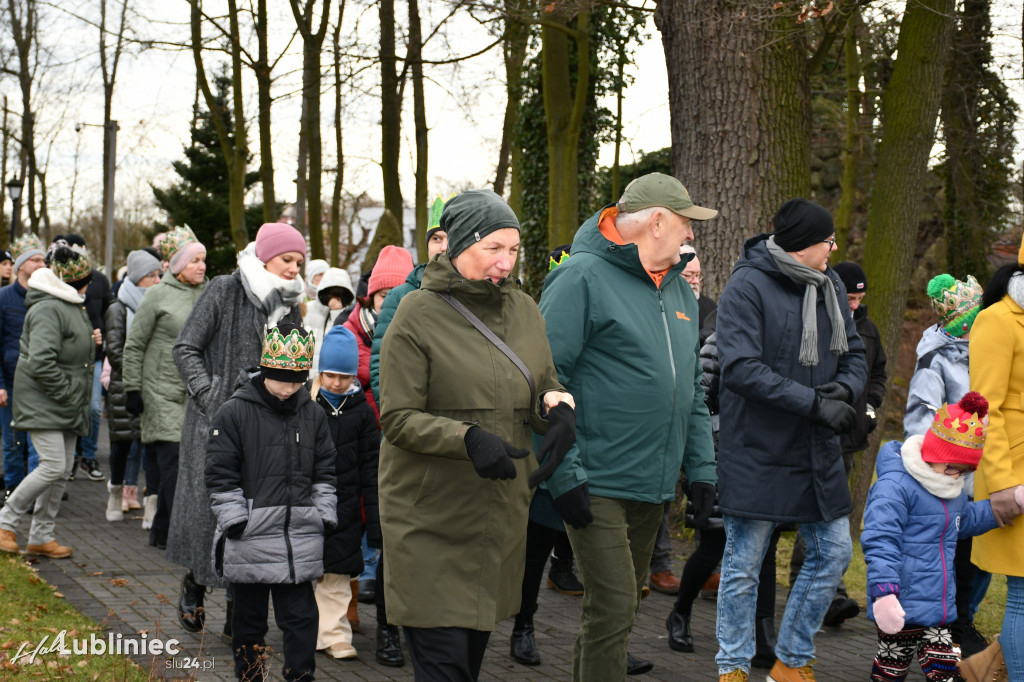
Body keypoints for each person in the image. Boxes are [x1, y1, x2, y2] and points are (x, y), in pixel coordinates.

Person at [378, 188, 575, 681]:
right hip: (431, 521)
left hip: (497, 521)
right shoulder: (416, 314)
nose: (505, 262)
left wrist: (559, 407)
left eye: (513, 250)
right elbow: (397, 418)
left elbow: (543, 384)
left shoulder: (526, 311)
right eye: (494, 249)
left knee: (466, 666)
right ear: (460, 244)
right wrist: (468, 439)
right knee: (445, 670)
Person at [538, 172, 718, 682]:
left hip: (653, 486)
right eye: (685, 224)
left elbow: (690, 392)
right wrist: (565, 475)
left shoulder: (681, 292)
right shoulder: (582, 277)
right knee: (615, 605)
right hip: (596, 480)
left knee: (617, 612)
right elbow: (545, 381)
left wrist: (701, 471)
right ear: (657, 221)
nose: (689, 235)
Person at [714, 198, 867, 682]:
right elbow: (739, 369)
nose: (835, 248)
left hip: (815, 448)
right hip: (758, 448)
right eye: (828, 239)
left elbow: (855, 351)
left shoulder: (832, 284)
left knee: (835, 551)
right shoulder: (747, 284)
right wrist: (813, 402)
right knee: (744, 565)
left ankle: (791, 659)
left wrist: (844, 388)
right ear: (803, 245)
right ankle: (733, 666)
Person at [172, 222, 305, 634]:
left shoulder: (292, 305)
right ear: (265, 255)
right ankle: (195, 583)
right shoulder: (224, 289)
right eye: (287, 259)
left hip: (264, 433)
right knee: (209, 514)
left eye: (299, 262)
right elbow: (186, 347)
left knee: (248, 521)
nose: (293, 269)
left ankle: (238, 613)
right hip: (214, 426)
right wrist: (210, 395)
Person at [206, 323, 337, 682]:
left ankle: (300, 675)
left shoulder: (312, 414)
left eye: (297, 380)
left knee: (301, 618)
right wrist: (235, 520)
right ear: (265, 371)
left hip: (299, 536)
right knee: (248, 622)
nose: (289, 388)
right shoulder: (233, 413)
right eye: (282, 379)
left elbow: (325, 469)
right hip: (250, 534)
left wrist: (323, 514)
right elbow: (220, 473)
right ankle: (250, 676)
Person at [862, 393, 1011, 682]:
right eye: (953, 467)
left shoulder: (947, 487)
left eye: (965, 472)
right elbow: (881, 540)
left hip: (936, 605)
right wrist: (884, 593)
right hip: (900, 602)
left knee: (944, 672)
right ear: (934, 453)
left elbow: (963, 520)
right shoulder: (895, 486)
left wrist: (998, 509)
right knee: (891, 670)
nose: (956, 477)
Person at [785, 261, 887, 628]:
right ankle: (821, 588)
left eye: (860, 298)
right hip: (817, 431)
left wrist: (871, 406)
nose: (856, 305)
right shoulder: (820, 321)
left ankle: (827, 590)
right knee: (819, 513)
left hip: (849, 438)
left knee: (830, 514)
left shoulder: (869, 330)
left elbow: (877, 375)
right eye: (851, 297)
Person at [904, 272, 989, 654]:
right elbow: (921, 417)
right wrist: (947, 460)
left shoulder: (987, 354)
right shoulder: (936, 360)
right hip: (953, 477)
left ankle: (960, 621)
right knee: (957, 559)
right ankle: (952, 628)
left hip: (989, 473)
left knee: (981, 559)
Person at [0, 243, 95, 558]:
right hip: (46, 400)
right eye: (88, 279)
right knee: (53, 466)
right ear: (76, 282)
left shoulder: (70, 305)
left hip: (63, 402)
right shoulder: (49, 308)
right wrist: (68, 393)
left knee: (63, 468)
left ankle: (41, 536)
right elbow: (41, 361)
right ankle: (5, 521)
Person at [123, 228, 208, 543]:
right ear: (177, 264)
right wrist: (132, 388)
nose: (201, 266)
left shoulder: (208, 293)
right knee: (173, 460)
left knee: (190, 461)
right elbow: (135, 345)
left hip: (196, 393)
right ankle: (180, 533)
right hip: (160, 391)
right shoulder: (157, 294)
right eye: (194, 261)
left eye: (203, 260)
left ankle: (161, 529)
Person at [649, 244, 719, 596]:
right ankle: (659, 565)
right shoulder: (657, 302)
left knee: (703, 493)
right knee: (664, 498)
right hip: (662, 421)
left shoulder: (708, 310)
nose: (693, 280)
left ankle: (704, 567)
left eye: (698, 275)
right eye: (688, 274)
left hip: (698, 418)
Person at [968, 244, 1024, 680]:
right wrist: (1004, 485)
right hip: (1016, 475)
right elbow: (985, 408)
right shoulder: (998, 320)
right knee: (1023, 595)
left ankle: (980, 670)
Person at [312, 325, 380, 660]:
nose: (337, 383)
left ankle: (336, 634)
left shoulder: (363, 413)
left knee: (337, 575)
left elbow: (372, 468)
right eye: (331, 375)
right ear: (320, 372)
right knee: (306, 573)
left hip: (346, 508)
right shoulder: (306, 408)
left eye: (345, 376)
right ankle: (307, 630)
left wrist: (376, 522)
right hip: (308, 507)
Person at [103, 249, 163, 522]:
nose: (157, 280)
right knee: (121, 445)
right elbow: (114, 349)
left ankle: (152, 502)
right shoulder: (118, 308)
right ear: (137, 277)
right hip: (123, 386)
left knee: (151, 446)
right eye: (151, 275)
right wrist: (137, 373)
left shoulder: (158, 304)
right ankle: (115, 493)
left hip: (153, 385)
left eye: (158, 274)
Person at [60, 234, 111, 483]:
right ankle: (71, 458)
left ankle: (88, 456)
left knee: (92, 408)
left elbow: (109, 311)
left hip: (96, 357)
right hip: (71, 357)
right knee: (73, 407)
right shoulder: (60, 280)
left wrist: (107, 336)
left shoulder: (100, 280)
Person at [344, 244, 414, 422]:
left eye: (398, 295)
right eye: (384, 295)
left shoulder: (420, 331)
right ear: (372, 296)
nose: (390, 301)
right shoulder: (350, 332)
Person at [0, 234, 46, 502]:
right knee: (12, 441)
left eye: (43, 259)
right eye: (36, 259)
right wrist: (1, 385)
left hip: (40, 383)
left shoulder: (46, 298)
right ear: (21, 265)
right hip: (11, 380)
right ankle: (13, 490)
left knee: (36, 443)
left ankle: (31, 496)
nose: (42, 263)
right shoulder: (4, 298)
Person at [305, 267, 355, 370]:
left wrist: (337, 314)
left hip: (330, 376)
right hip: (304, 375)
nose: (334, 299)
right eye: (330, 293)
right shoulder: (307, 309)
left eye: (339, 295)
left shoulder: (350, 316)